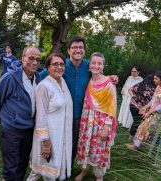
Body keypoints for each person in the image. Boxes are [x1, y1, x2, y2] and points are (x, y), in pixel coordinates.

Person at [39, 36, 118, 165]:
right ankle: (52, 165)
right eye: (74, 47)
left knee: (74, 142)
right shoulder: (61, 65)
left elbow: (100, 77)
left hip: (80, 116)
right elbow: (42, 75)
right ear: (69, 50)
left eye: (81, 47)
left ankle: (67, 167)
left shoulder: (89, 66)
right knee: (58, 140)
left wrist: (111, 77)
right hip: (60, 113)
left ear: (84, 51)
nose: (78, 50)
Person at [0, 47, 41, 181]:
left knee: (22, 164)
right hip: (11, 130)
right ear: (23, 58)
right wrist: (4, 121)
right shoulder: (10, 77)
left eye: (37, 59)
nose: (34, 62)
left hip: (29, 129)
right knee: (11, 167)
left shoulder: (38, 78)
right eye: (31, 58)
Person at [27, 53, 73, 181]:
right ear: (48, 67)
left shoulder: (62, 82)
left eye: (62, 64)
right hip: (48, 136)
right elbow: (40, 117)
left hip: (59, 134)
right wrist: (46, 144)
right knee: (45, 170)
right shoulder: (44, 86)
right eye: (55, 64)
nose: (59, 67)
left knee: (44, 170)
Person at [75, 52, 117, 181]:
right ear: (89, 65)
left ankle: (99, 175)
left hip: (101, 124)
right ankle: (84, 170)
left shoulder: (109, 84)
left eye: (99, 63)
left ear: (103, 66)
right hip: (87, 121)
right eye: (93, 63)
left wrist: (106, 128)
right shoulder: (89, 80)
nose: (96, 65)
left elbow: (112, 108)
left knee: (99, 148)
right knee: (86, 146)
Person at [126, 71, 161, 150]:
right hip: (151, 112)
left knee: (150, 131)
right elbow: (153, 100)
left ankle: (144, 147)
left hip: (159, 114)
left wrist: (150, 112)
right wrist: (146, 107)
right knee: (143, 128)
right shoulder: (158, 86)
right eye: (154, 78)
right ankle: (138, 146)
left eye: (156, 79)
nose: (154, 80)